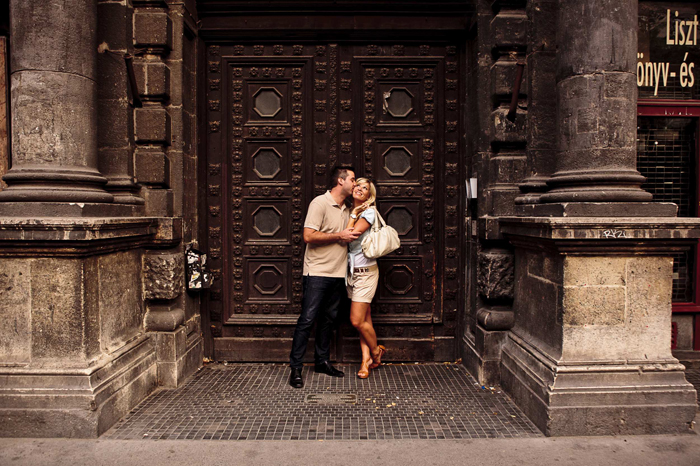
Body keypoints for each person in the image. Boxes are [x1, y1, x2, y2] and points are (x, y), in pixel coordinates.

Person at [288, 167, 360, 388]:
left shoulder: (348, 208)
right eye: (353, 179)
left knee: (329, 320)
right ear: (340, 181)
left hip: (339, 273)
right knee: (308, 319)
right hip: (317, 272)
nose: (355, 183)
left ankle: (322, 362)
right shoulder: (319, 203)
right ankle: (296, 368)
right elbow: (308, 236)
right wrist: (339, 235)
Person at [345, 178, 387, 379]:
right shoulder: (348, 210)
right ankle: (365, 360)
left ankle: (376, 352)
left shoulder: (368, 212)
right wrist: (352, 213)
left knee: (356, 320)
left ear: (370, 196)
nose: (360, 189)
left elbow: (351, 234)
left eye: (365, 188)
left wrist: (354, 214)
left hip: (366, 273)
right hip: (351, 273)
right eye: (358, 185)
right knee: (364, 319)